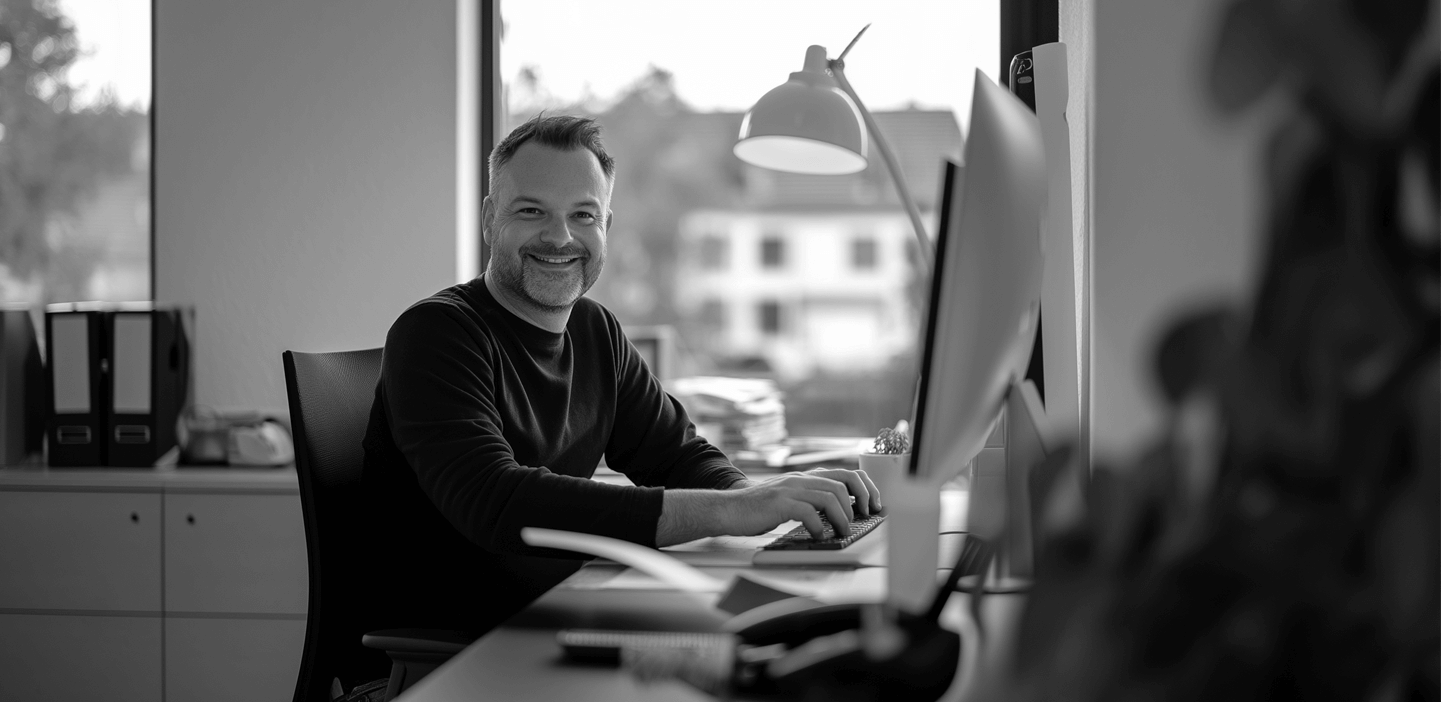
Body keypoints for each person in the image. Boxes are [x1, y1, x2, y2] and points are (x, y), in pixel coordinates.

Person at [361, 114, 882, 636]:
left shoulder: (594, 330)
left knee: (794, 639)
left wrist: (769, 509)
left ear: (605, 226)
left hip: (562, 609)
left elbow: (675, 456)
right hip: (455, 643)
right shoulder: (436, 332)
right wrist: (733, 510)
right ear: (490, 219)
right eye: (532, 211)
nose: (560, 236)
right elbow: (495, 502)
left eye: (584, 215)